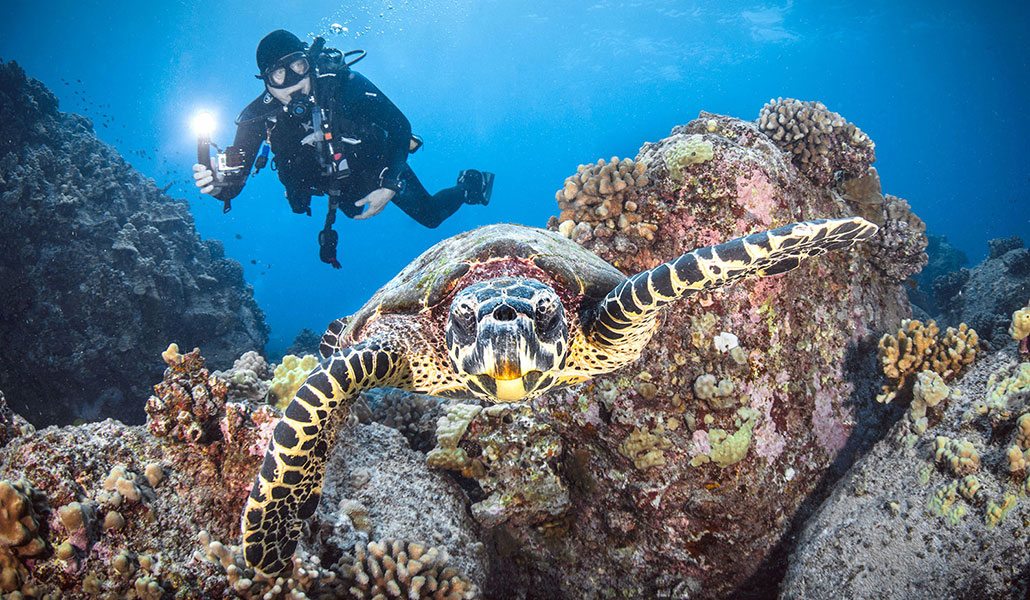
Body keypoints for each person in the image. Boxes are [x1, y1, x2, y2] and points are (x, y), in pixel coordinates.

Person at [192, 29, 493, 268]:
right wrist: (217, 184)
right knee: (351, 211)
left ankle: (469, 185)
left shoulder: (345, 84)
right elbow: (232, 186)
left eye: (298, 66)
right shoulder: (259, 117)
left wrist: (389, 185)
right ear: (266, 82)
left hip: (378, 167)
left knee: (430, 217)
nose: (293, 81)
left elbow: (400, 126)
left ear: (308, 62)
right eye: (279, 75)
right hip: (335, 185)